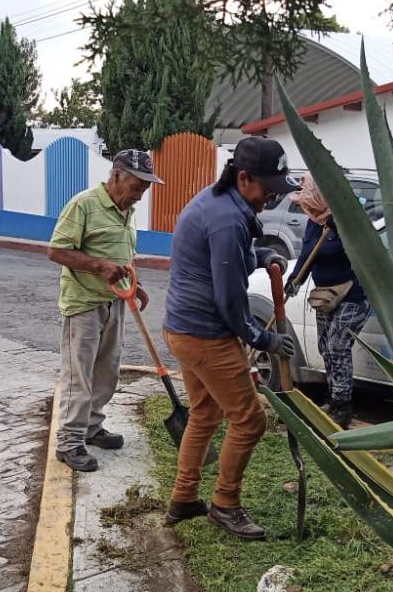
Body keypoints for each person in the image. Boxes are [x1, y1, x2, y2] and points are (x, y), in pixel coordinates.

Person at [161, 137, 298, 540]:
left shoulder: (218, 202)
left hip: (183, 329)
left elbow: (226, 258)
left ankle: (184, 498)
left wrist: (262, 256)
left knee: (204, 413)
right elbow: (229, 298)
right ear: (243, 177)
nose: (271, 197)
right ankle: (226, 504)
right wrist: (262, 339)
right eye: (268, 188)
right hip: (206, 335)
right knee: (249, 419)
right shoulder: (227, 218)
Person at [47, 149, 162, 472]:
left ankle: (92, 426)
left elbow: (121, 255)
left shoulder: (127, 209)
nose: (140, 194)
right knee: (78, 375)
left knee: (107, 371)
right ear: (116, 176)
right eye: (137, 186)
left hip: (114, 301)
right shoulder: (84, 204)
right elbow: (56, 250)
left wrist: (132, 285)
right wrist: (99, 266)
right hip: (83, 304)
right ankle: (69, 443)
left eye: (145, 188)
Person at [284, 172, 370, 428]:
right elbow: (307, 254)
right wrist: (295, 279)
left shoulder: (346, 221)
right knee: (325, 347)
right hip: (326, 297)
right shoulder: (314, 222)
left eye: (309, 200)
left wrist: (340, 230)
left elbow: (361, 253)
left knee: (336, 345)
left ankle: (343, 406)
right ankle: (333, 400)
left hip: (352, 295)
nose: (305, 206)